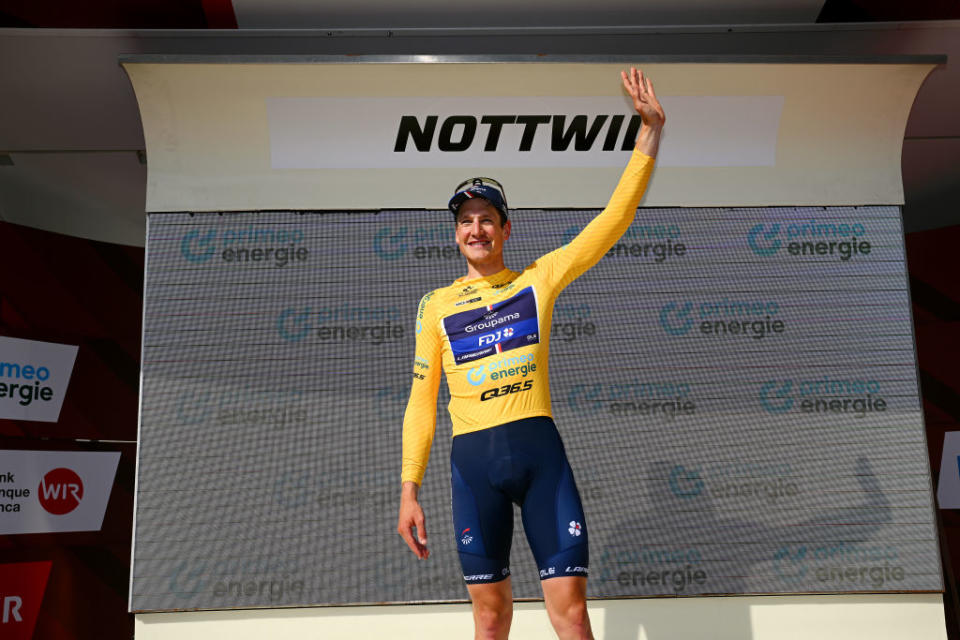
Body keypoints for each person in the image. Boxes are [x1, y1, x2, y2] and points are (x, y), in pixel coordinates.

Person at [397, 68, 665, 640]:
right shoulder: (435, 306)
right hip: (473, 468)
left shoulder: (538, 280)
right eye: (466, 221)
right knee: (490, 621)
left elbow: (611, 221)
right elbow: (421, 403)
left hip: (541, 457)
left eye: (486, 220)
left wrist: (649, 136)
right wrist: (408, 490)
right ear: (456, 233)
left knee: (571, 616)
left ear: (505, 229)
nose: (476, 229)